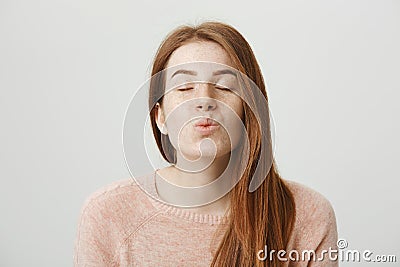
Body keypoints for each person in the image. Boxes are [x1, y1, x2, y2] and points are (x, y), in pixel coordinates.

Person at [74, 21, 338, 267]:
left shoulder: (307, 214)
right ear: (160, 117)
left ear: (249, 111)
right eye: (185, 87)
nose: (204, 100)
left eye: (224, 86)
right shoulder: (107, 214)